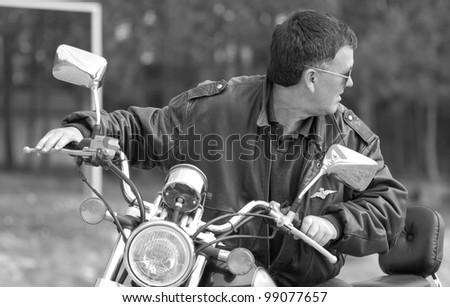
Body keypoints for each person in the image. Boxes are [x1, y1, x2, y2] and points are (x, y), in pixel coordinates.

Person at [35, 9, 407, 286]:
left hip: (307, 285)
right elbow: (146, 129)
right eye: (344, 73)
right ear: (311, 78)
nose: (351, 82)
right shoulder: (215, 109)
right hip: (213, 277)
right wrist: (88, 128)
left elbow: (388, 204)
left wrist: (336, 223)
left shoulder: (346, 135)